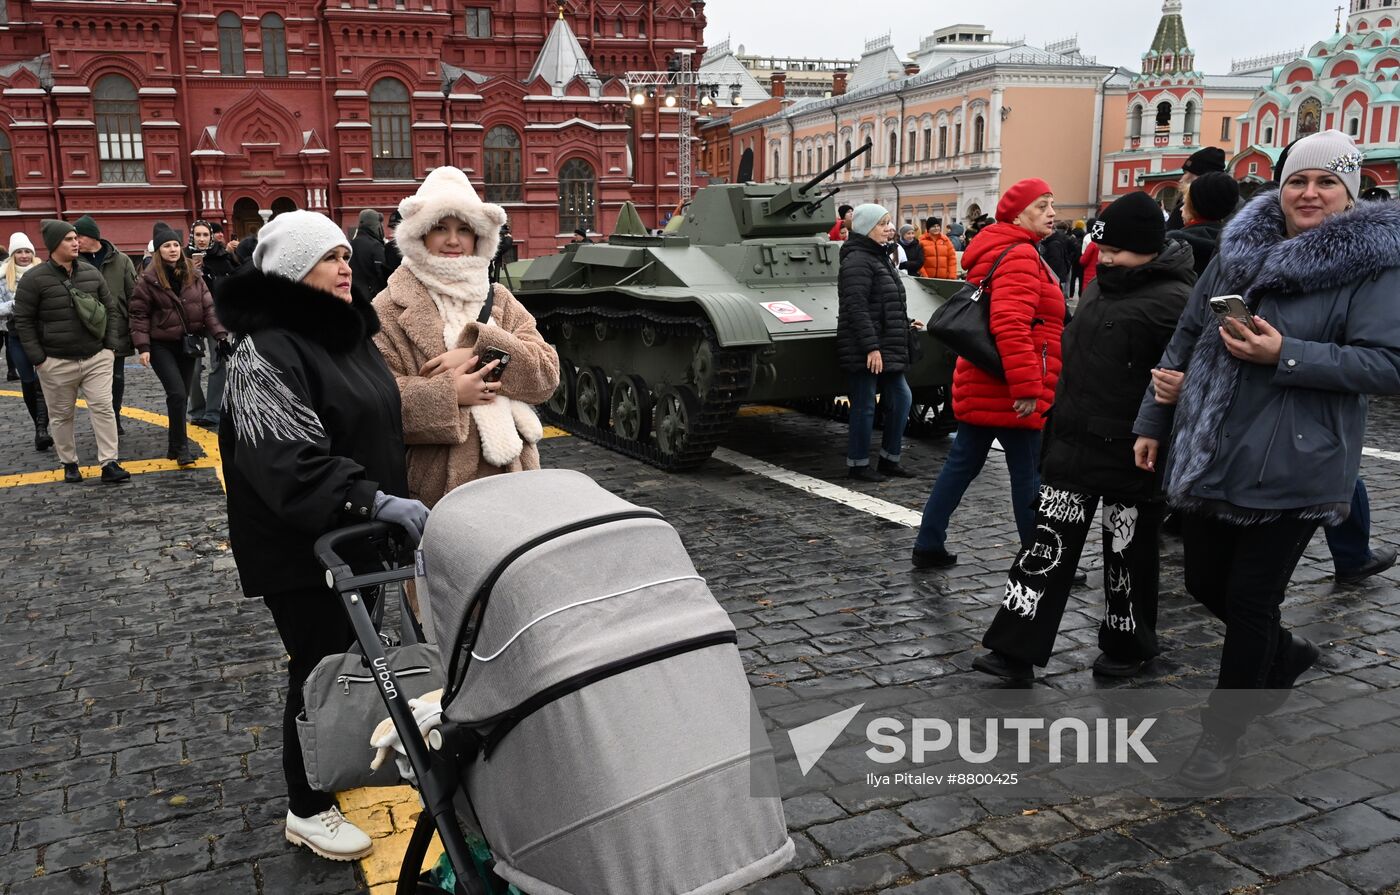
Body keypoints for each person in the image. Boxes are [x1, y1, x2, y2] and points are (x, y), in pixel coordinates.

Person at [1133, 130, 1400, 787]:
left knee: (1251, 600)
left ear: (1350, 190)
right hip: (1215, 445)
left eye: (1325, 182)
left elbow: (1386, 363)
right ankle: (1284, 655)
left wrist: (1285, 353)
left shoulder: (1375, 262)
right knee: (1202, 583)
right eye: (1297, 180)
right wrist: (1154, 412)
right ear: (1278, 185)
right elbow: (1191, 329)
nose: (1309, 193)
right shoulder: (1240, 247)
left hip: (1299, 456)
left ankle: (1219, 738)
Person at [215, 209, 428, 861]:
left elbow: (374, 418)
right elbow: (285, 457)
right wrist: (369, 495)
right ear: (290, 270)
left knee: (355, 659)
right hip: (302, 547)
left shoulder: (344, 335)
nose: (347, 266)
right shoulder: (266, 348)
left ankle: (355, 758)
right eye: (330, 257)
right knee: (319, 668)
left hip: (357, 536)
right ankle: (306, 807)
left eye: (346, 254)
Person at [972, 191, 1196, 681]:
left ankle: (1129, 645)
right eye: (1104, 249)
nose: (1105, 258)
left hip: (1133, 451)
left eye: (1116, 250)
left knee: (1129, 558)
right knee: (1043, 552)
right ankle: (1014, 650)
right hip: (1074, 440)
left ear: (1148, 248)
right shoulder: (1101, 286)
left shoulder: (1176, 300)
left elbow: (1188, 376)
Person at [372, 165, 560, 508]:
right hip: (440, 487)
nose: (454, 240)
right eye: (440, 227)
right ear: (420, 233)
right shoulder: (387, 308)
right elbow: (377, 402)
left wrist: (481, 349)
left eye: (464, 229)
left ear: (479, 236)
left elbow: (546, 375)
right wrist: (450, 394)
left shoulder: (498, 298)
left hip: (516, 479)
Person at [911, 179, 1064, 568]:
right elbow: (1011, 324)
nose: (1052, 213)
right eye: (1042, 205)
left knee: (961, 465)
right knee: (1028, 474)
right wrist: (1028, 385)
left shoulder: (1005, 249)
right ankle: (1040, 558)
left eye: (1052, 205)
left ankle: (928, 543)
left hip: (984, 379)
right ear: (1017, 213)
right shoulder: (1021, 255)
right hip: (1010, 385)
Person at [12, 220, 129, 483]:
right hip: (56, 361)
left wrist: (109, 347)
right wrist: (39, 359)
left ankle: (110, 462)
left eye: (76, 238)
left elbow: (110, 309)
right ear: (54, 245)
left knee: (103, 408)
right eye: (68, 239)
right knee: (62, 415)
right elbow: (24, 321)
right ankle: (69, 462)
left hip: (96, 357)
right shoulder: (34, 279)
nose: (76, 242)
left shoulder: (90, 272)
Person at [131, 223, 229, 466]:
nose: (173, 249)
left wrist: (221, 336)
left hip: (188, 343)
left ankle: (174, 446)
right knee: (176, 392)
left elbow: (208, 308)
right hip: (161, 345)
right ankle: (183, 448)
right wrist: (143, 347)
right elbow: (138, 314)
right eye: (167, 245)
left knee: (181, 395)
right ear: (158, 251)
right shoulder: (148, 279)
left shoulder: (193, 276)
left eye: (175, 244)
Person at [837, 204, 921, 483]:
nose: (890, 228)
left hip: (887, 343)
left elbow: (887, 300)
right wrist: (871, 347)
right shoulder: (858, 260)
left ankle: (889, 459)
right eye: (882, 223)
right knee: (864, 404)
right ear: (865, 227)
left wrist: (906, 322)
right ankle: (858, 464)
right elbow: (856, 307)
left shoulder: (879, 256)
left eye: (889, 222)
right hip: (866, 345)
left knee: (901, 398)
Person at [74, 215, 136, 434]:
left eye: (79, 236)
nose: (75, 241)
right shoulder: (72, 262)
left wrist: (135, 329)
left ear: (92, 236)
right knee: (94, 382)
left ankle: (115, 416)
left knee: (116, 379)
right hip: (87, 332)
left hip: (117, 327)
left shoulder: (121, 260)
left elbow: (133, 296)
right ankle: (103, 419)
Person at [187, 220, 239, 430]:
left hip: (216, 317)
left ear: (210, 236)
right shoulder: (181, 257)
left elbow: (232, 285)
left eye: (205, 235)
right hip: (190, 319)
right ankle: (197, 410)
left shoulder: (222, 257)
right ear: (192, 236)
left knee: (218, 364)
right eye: (197, 235)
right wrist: (189, 272)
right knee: (193, 367)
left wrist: (210, 274)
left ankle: (213, 411)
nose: (201, 239)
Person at [0, 233, 50, 449]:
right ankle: (38, 425)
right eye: (19, 252)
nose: (23, 255)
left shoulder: (44, 272)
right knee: (28, 381)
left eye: (27, 251)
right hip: (17, 335)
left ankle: (42, 428)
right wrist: (16, 305)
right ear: (12, 255)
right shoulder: (3, 277)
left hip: (43, 335)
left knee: (45, 381)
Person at [1166, 172, 1240, 275]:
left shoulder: (1174, 245)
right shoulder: (1234, 247)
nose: (1181, 209)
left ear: (1195, 207)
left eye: (1185, 203)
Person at [1166, 146, 1227, 230]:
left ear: (1200, 178)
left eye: (1186, 173)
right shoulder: (1232, 205)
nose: (1181, 179)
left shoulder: (1188, 208)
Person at [350, 208, 389, 304]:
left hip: (353, 295)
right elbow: (382, 273)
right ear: (376, 224)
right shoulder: (375, 246)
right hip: (373, 298)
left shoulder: (351, 244)